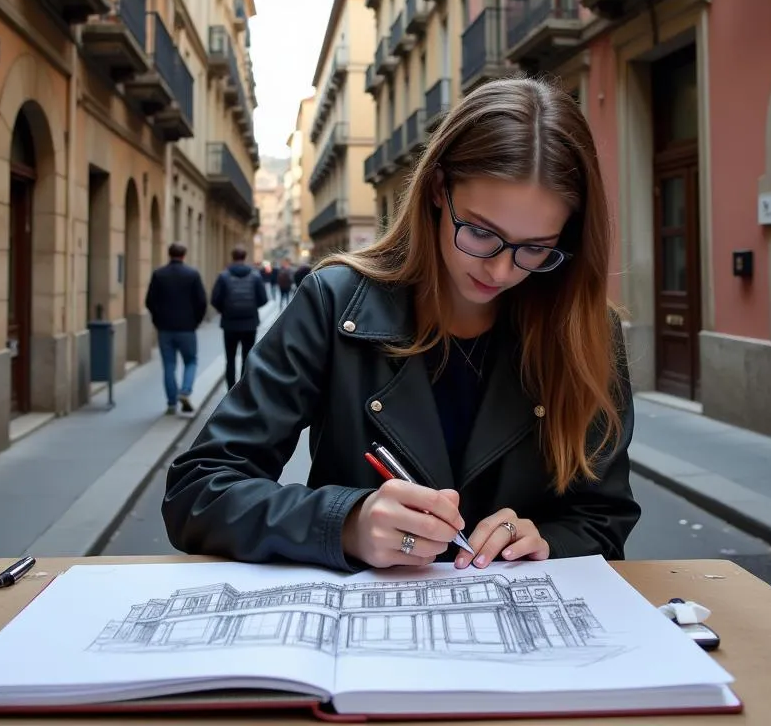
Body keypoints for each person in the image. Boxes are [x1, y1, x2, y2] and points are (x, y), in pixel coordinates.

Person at [162, 77, 641, 573]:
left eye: (535, 247)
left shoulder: (587, 330)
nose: (501, 271)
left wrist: (547, 541)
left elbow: (604, 517)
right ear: (438, 190)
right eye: (480, 232)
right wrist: (345, 522)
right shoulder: (334, 303)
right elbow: (198, 490)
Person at [145, 242, 208, 414]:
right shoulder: (192, 274)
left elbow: (150, 301)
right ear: (184, 255)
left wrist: (158, 320)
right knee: (191, 361)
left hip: (165, 328)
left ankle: (171, 402)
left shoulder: (159, 274)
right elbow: (202, 302)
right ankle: (186, 391)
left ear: (169, 254)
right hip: (187, 328)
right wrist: (196, 321)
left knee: (169, 365)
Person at [211, 246, 268, 391]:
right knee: (247, 357)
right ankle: (243, 389)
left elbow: (215, 299)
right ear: (245, 257)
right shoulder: (255, 276)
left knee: (230, 359)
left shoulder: (223, 276)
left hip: (229, 324)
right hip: (250, 323)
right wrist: (252, 307)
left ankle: (230, 389)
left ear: (232, 257)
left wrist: (225, 311)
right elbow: (263, 299)